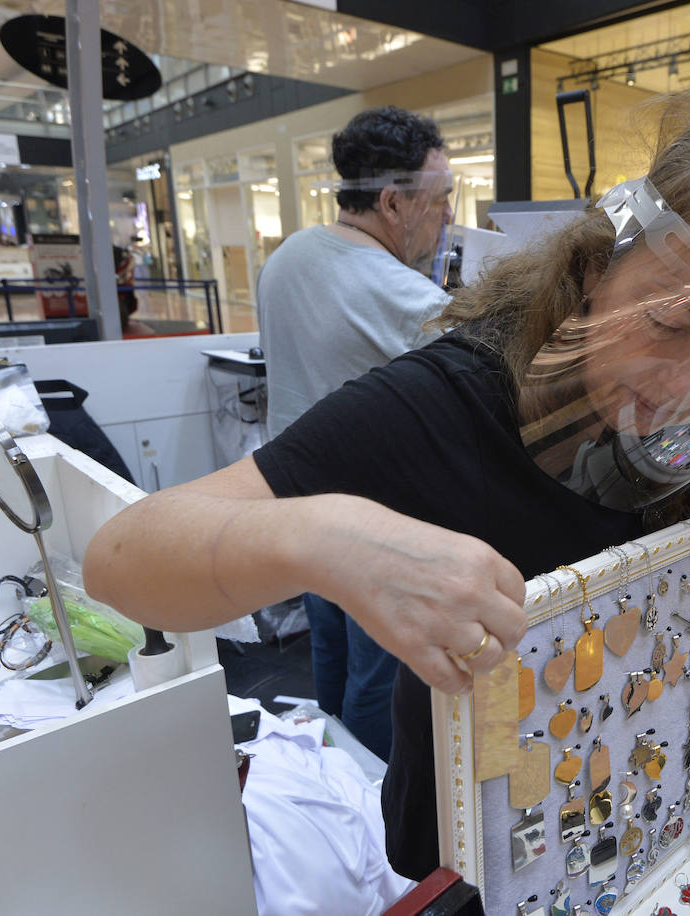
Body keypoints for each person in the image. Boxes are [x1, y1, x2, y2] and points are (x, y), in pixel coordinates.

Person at [83, 88, 690, 880]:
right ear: (593, 274)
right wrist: (326, 537)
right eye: (665, 325)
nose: (689, 384)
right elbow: (119, 560)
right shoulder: (444, 402)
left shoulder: (684, 425)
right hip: (464, 848)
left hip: (621, 820)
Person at [252, 107, 455, 760]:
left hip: (302, 509)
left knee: (330, 652)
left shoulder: (289, 255)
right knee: (380, 680)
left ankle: (328, 775)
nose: (448, 215)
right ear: (394, 202)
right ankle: (373, 814)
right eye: (441, 198)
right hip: (376, 524)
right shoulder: (407, 298)